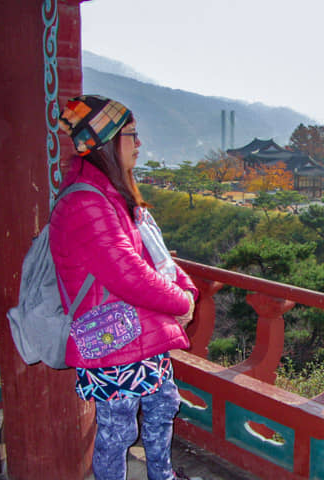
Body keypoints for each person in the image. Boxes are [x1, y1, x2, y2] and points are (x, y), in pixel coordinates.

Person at [50, 95, 197, 480]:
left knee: (164, 405)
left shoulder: (112, 197)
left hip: (138, 333)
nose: (139, 144)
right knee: (118, 430)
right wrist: (180, 300)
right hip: (112, 340)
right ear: (108, 143)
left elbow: (153, 256)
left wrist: (185, 288)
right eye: (132, 135)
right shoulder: (86, 203)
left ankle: (161, 476)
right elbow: (127, 272)